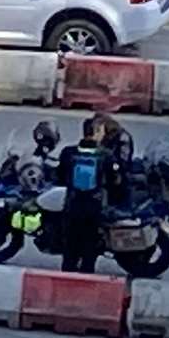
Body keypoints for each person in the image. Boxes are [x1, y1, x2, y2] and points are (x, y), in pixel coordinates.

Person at [56, 116, 118, 273]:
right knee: (90, 246)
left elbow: (60, 177)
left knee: (70, 247)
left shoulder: (68, 153)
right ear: (97, 132)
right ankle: (86, 277)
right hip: (94, 208)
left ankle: (66, 278)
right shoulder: (106, 155)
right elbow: (114, 182)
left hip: (72, 205)